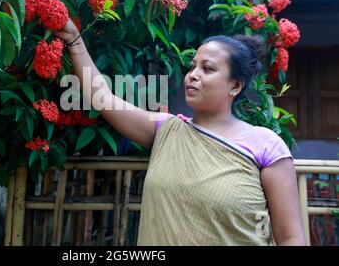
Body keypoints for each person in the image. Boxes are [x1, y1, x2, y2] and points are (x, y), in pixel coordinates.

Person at [54, 19, 306, 246]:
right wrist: (75, 41)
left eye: (207, 69)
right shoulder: (167, 129)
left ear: (236, 85)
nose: (193, 76)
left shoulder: (265, 146)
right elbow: (103, 99)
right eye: (192, 67)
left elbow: (291, 238)